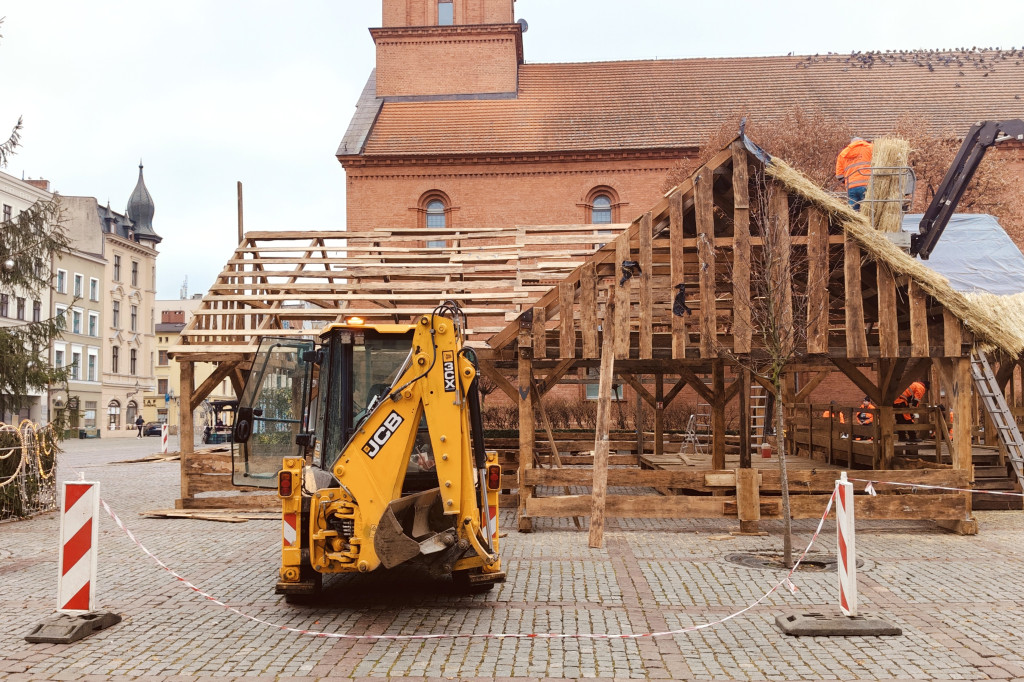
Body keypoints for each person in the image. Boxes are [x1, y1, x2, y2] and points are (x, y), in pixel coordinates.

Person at [836, 137, 873, 210]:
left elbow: (839, 176)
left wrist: (848, 181)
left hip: (851, 186)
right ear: (862, 141)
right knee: (869, 210)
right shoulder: (871, 148)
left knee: (853, 212)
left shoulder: (843, 154)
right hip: (867, 184)